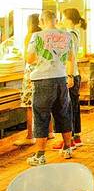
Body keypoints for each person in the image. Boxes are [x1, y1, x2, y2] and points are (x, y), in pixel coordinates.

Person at [25, 10, 76, 166]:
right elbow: (71, 58)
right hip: (61, 78)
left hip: (42, 79)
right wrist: (70, 76)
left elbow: (30, 59)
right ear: (56, 20)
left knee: (41, 116)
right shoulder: (67, 36)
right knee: (63, 113)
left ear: (41, 21)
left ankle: (40, 155)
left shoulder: (37, 36)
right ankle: (67, 148)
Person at [52, 8, 86, 150]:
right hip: (74, 73)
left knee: (67, 108)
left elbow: (67, 57)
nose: (61, 20)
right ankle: (76, 136)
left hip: (69, 74)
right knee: (74, 107)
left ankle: (70, 138)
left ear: (69, 19)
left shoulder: (69, 35)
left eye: (63, 17)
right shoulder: (74, 33)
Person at [13, 14, 42, 147]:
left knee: (29, 105)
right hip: (42, 72)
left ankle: (30, 136)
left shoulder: (30, 36)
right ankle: (49, 132)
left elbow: (28, 57)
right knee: (44, 104)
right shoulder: (44, 35)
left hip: (31, 73)